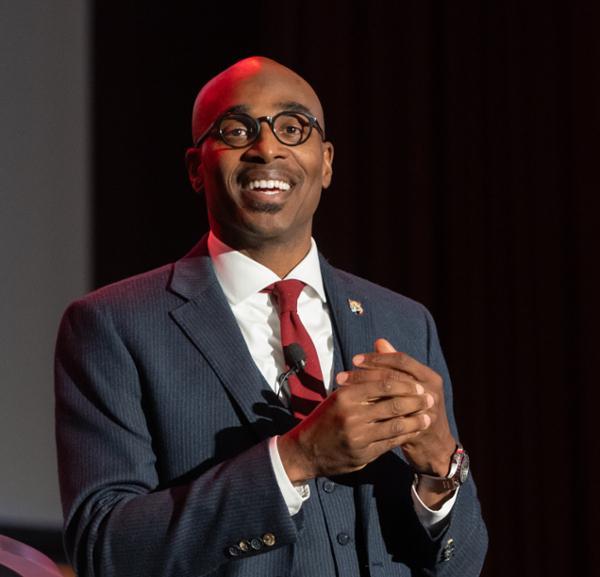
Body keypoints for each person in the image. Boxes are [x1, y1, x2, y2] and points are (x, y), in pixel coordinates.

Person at [55, 56, 487, 577]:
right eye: (237, 130)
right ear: (196, 168)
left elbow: (462, 564)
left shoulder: (403, 321)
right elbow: (105, 549)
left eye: (292, 127)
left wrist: (441, 468)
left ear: (325, 162)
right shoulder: (113, 325)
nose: (266, 148)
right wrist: (295, 459)